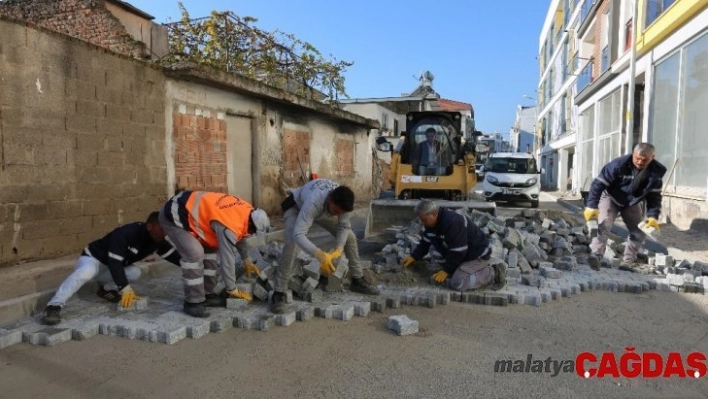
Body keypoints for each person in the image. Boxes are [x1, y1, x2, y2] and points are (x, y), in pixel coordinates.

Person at [42, 212, 181, 325]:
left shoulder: (157, 240)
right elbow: (115, 262)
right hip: (94, 260)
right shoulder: (126, 233)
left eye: (166, 230)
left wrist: (194, 266)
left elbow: (175, 257)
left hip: (110, 269)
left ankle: (106, 290)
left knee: (135, 272)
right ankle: (54, 306)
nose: (164, 234)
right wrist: (125, 288)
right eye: (161, 229)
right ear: (150, 226)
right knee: (86, 273)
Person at [271, 179, 380, 314]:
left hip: (322, 211)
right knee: (292, 243)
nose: (337, 215)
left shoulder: (343, 203)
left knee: (350, 237)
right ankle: (279, 292)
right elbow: (299, 234)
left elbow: (344, 226)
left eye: (340, 213)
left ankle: (357, 279)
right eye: (336, 211)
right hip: (297, 207)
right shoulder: (314, 201)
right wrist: (320, 255)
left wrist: (339, 248)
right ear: (330, 200)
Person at [159, 191, 271, 318]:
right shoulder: (228, 226)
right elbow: (227, 259)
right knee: (195, 254)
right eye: (254, 231)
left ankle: (207, 294)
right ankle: (193, 302)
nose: (252, 233)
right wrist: (231, 289)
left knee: (211, 250)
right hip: (173, 215)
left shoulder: (247, 211)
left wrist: (247, 260)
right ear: (252, 224)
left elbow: (241, 234)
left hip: (194, 213)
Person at [584, 143, 667, 271]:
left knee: (639, 231)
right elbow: (598, 184)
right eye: (637, 158)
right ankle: (596, 256)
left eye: (644, 160)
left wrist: (652, 217)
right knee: (605, 223)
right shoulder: (618, 165)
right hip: (610, 196)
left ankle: (628, 261)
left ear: (652, 158)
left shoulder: (655, 174)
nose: (639, 162)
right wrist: (591, 206)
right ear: (633, 154)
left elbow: (654, 197)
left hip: (631, 202)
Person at [400, 199, 506, 291]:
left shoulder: (453, 222)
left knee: (457, 283)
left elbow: (458, 251)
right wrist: (414, 256)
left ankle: (493, 273)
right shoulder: (431, 224)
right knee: (434, 249)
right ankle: (458, 270)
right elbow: (426, 241)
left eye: (424, 220)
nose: (423, 223)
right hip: (464, 253)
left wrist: (447, 270)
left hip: (478, 255)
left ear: (434, 214)